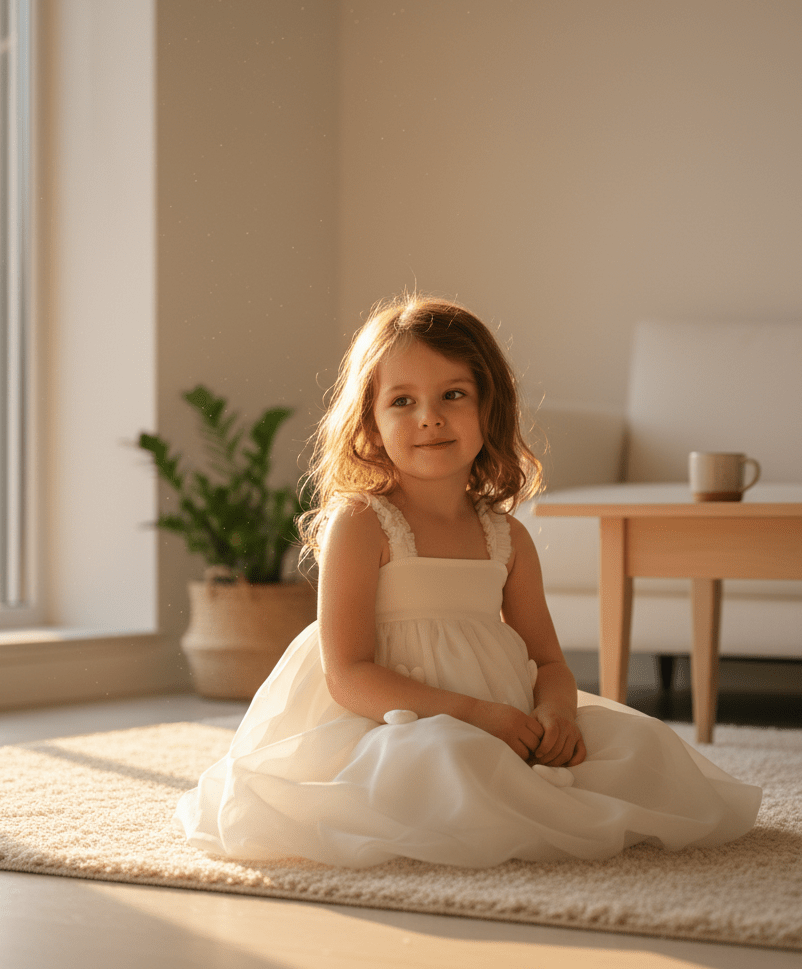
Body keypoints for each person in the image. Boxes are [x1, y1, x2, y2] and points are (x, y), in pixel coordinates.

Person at [174, 295, 761, 867]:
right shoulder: (361, 524)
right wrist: (477, 718)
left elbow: (549, 661)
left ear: (489, 411)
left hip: (505, 718)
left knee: (642, 745)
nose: (429, 416)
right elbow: (349, 676)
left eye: (453, 394)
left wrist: (557, 716)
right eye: (402, 400)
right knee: (449, 761)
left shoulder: (506, 537)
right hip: (392, 720)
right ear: (372, 426)